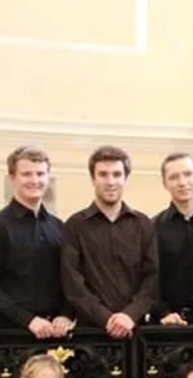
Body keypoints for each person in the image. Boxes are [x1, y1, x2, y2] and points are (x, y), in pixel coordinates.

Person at [0, 145, 75, 338]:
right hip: (12, 334)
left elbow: (70, 279)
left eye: (40, 174)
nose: (35, 180)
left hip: (56, 332)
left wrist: (66, 315)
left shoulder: (59, 227)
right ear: (12, 178)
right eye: (27, 174)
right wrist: (28, 320)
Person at [61, 145, 158, 340]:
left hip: (135, 330)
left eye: (117, 174)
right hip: (91, 331)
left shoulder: (143, 224)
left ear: (125, 178)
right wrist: (107, 319)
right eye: (103, 175)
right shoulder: (75, 225)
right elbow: (73, 283)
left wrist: (129, 315)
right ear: (92, 179)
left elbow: (152, 279)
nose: (110, 182)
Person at [151, 152, 193, 325]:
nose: (182, 182)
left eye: (188, 174)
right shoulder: (153, 227)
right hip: (167, 323)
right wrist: (163, 312)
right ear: (165, 183)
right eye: (174, 177)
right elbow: (149, 277)